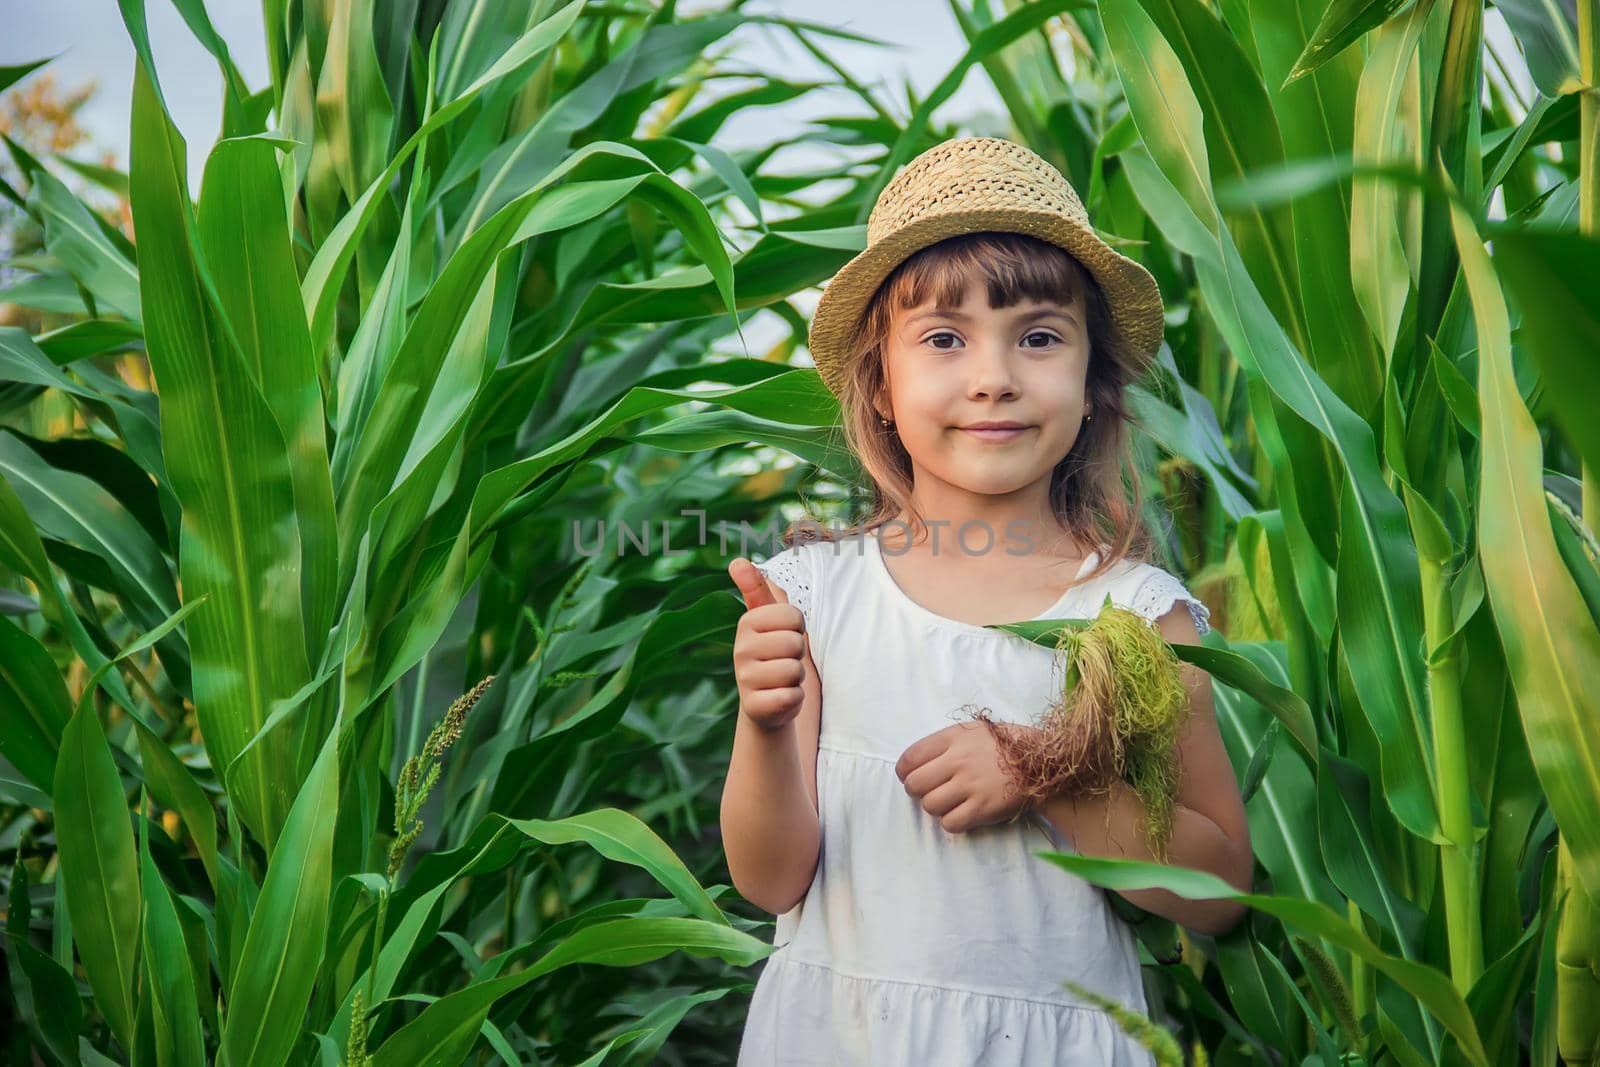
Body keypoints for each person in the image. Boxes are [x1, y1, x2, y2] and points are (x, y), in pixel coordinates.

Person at [720, 136, 1253, 1065]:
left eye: (1039, 336)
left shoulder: (1132, 616)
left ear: (1091, 386)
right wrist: (766, 724)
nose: (995, 375)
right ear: (880, 384)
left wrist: (1047, 777)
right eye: (943, 339)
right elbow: (771, 880)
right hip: (839, 1039)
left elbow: (1221, 891)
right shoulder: (812, 597)